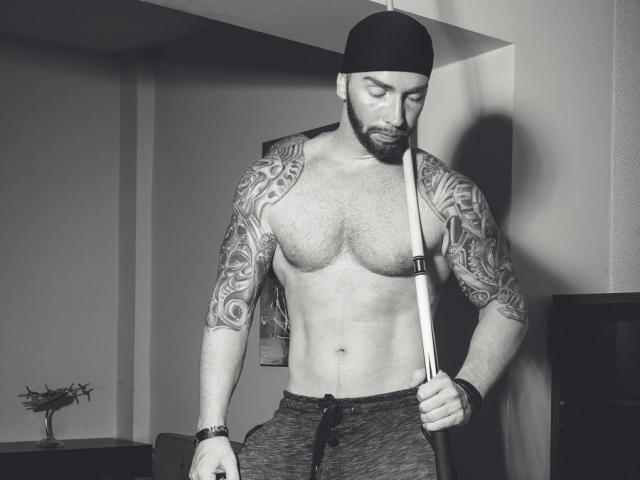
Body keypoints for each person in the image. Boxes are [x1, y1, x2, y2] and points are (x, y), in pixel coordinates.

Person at [190, 10, 527, 480]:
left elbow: (506, 305)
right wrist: (211, 433)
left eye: (413, 97)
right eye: (379, 91)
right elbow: (231, 309)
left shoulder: (444, 195)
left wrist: (468, 389)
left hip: (397, 427)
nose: (396, 115)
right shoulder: (272, 183)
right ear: (343, 83)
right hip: (297, 419)